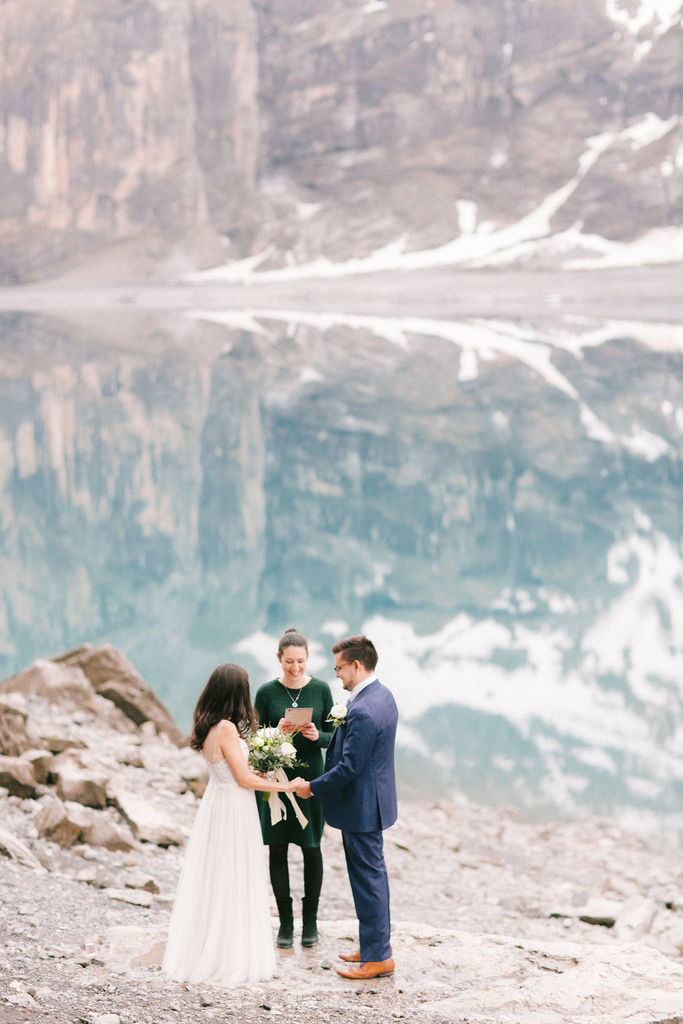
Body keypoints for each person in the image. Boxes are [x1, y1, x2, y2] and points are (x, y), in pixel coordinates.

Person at [162, 663, 301, 987]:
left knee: (220, 877)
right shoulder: (225, 727)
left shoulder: (212, 726)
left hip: (219, 804)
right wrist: (285, 786)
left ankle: (213, 948)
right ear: (237, 692)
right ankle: (229, 957)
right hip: (233, 809)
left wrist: (269, 752)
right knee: (234, 876)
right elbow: (242, 778)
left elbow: (239, 768)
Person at [295, 634, 398, 980]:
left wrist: (312, 788)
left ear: (356, 665)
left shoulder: (365, 709)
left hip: (363, 807)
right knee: (370, 877)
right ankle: (372, 947)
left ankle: (379, 957)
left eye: (339, 668)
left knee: (368, 879)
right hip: (373, 802)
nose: (336, 674)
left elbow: (351, 767)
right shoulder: (381, 695)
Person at [254, 628, 334, 949]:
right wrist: (276, 732)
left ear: (308, 658)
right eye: (289, 662)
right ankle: (285, 923)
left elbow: (336, 736)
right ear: (278, 659)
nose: (295, 668)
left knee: (311, 847)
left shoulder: (322, 689)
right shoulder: (265, 692)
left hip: (311, 780)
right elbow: (254, 740)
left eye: (300, 661)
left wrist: (318, 736)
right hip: (274, 780)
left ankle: (310, 922)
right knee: (277, 848)